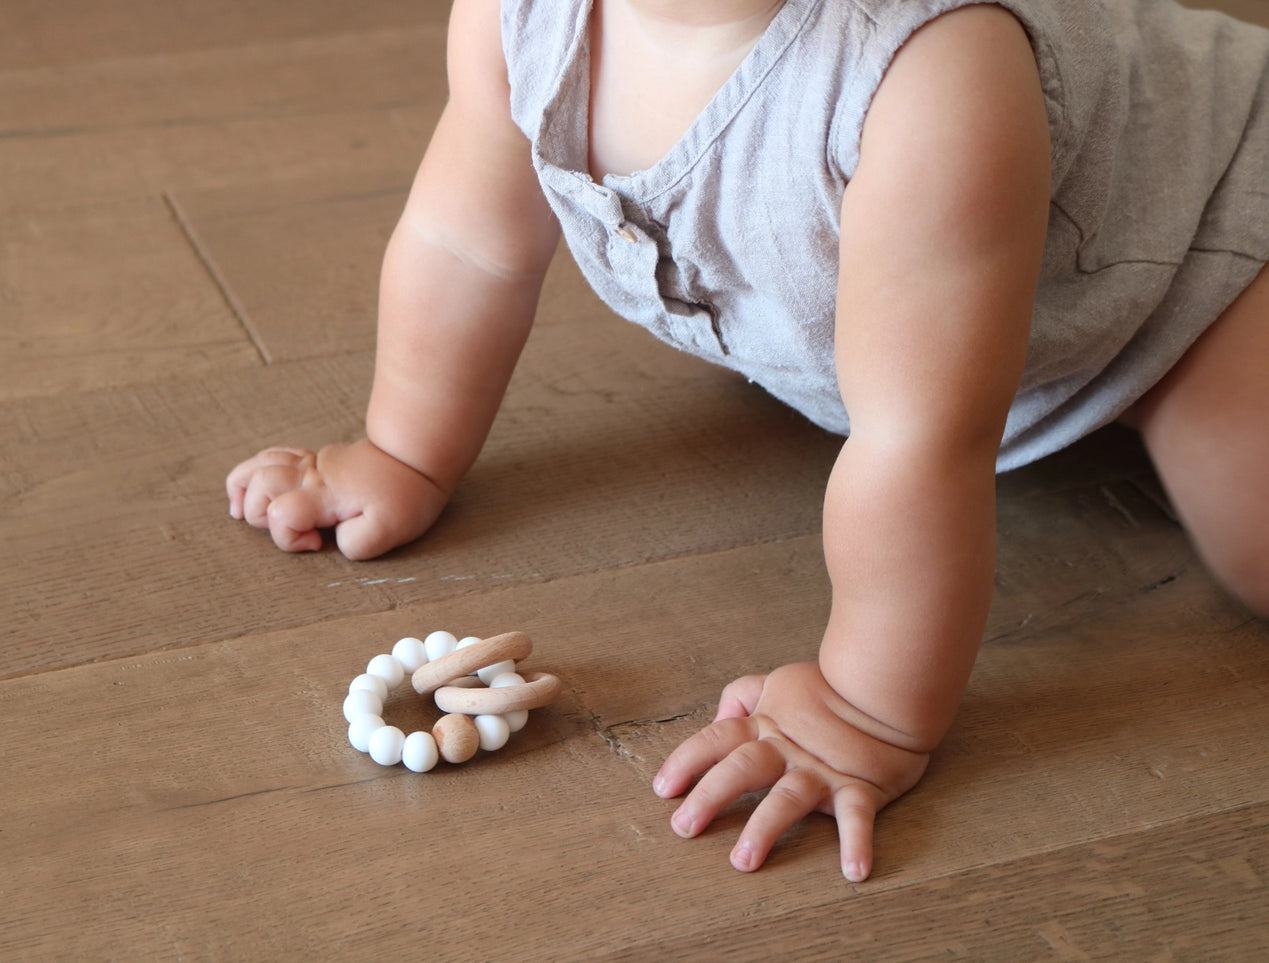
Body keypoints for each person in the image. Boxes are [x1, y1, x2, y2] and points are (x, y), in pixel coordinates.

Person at [225, 0, 1269, 881]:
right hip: (943, 315)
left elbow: (917, 442)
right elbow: (466, 242)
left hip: (1199, 253)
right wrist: (400, 449)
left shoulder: (930, 73)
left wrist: (866, 709)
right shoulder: (518, 15)